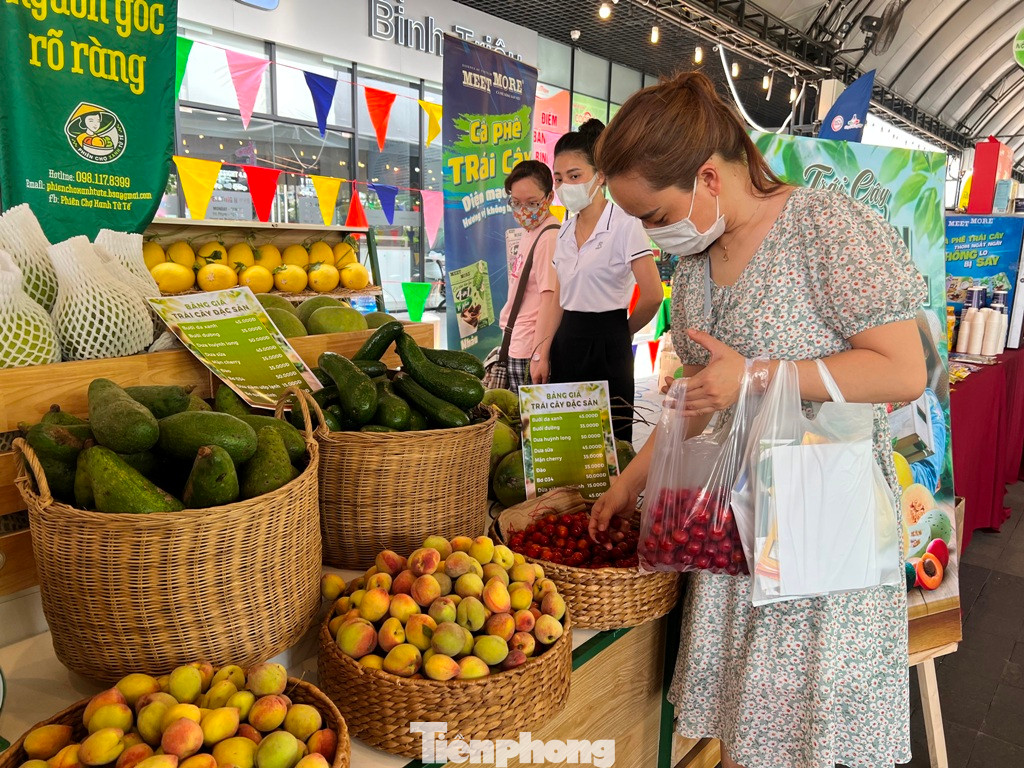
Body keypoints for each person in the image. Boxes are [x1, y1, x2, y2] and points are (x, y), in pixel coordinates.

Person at [589, 72, 927, 768]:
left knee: (812, 734)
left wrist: (760, 376)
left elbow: (902, 369)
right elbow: (698, 391)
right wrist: (632, 481)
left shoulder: (826, 227)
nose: (653, 233)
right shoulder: (694, 265)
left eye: (654, 214)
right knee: (746, 732)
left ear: (709, 176)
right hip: (729, 533)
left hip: (820, 520)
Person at [530, 119, 664, 444]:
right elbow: (557, 299)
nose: (565, 186)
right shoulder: (562, 231)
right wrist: (542, 352)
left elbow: (653, 295)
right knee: (567, 443)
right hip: (566, 342)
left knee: (609, 444)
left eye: (575, 176)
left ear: (600, 175)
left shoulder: (625, 225)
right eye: (559, 179)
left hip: (609, 343)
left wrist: (622, 331)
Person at [495, 160, 561, 393]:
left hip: (528, 349)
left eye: (532, 203)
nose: (523, 210)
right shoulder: (530, 232)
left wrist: (538, 356)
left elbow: (550, 301)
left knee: (526, 426)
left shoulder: (549, 237)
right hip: (517, 342)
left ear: (549, 197)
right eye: (515, 202)